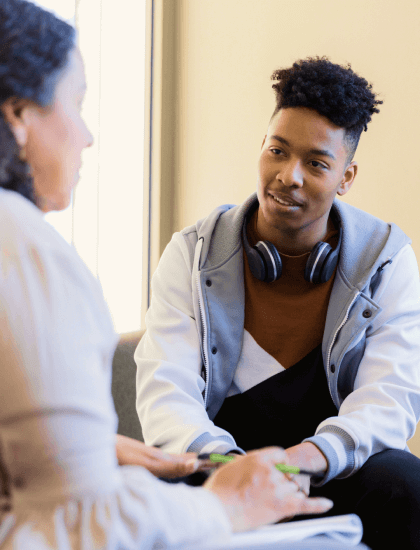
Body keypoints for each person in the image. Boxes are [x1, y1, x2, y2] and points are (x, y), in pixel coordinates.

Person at [0, 1, 335, 548]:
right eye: (77, 103)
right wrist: (225, 504)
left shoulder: (387, 257)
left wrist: (88, 447)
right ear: (18, 114)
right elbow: (83, 521)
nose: (87, 136)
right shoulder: (28, 256)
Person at [135, 57, 420, 549]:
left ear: (346, 176)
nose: (289, 176)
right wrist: (237, 473)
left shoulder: (386, 260)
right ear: (262, 147)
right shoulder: (191, 253)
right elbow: (166, 390)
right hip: (221, 466)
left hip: (326, 469)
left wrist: (304, 460)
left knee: (407, 484)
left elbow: (390, 398)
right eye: (277, 151)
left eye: (316, 163)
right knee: (145, 487)